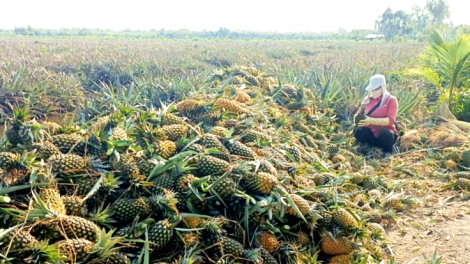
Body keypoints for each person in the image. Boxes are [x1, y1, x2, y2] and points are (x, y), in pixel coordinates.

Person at [354, 74, 398, 158]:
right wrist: (356, 119)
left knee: (386, 134)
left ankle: (388, 151)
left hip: (385, 135)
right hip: (371, 134)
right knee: (358, 130)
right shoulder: (367, 100)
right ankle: (369, 147)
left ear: (382, 87)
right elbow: (358, 113)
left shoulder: (391, 100)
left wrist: (371, 120)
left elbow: (390, 120)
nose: (373, 91)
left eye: (375, 89)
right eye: (371, 89)